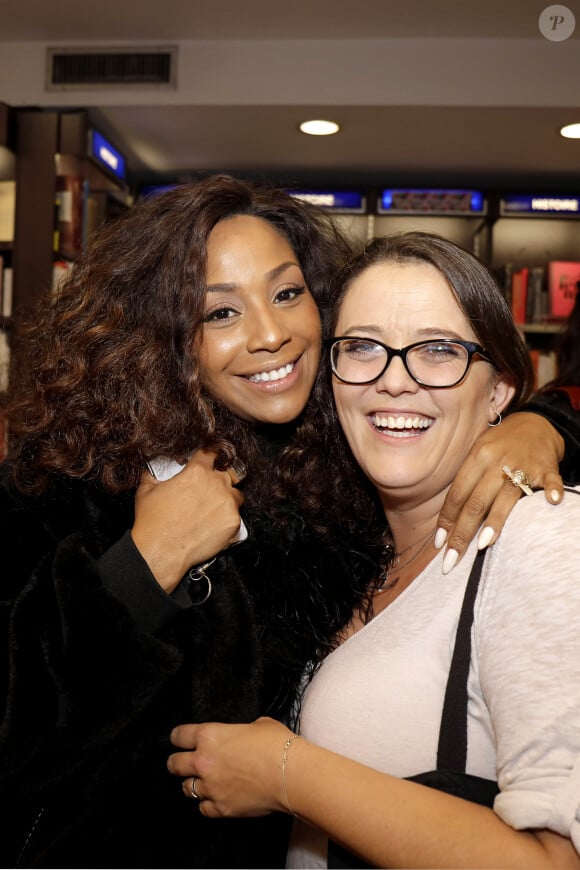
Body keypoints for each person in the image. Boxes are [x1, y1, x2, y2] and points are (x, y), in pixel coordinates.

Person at [0, 175, 575, 868]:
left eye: (286, 294)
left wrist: (539, 428)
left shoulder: (343, 477)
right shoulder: (68, 484)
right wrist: (145, 561)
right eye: (219, 314)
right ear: (160, 336)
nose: (271, 335)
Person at [168, 232, 580, 869]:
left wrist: (285, 776)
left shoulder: (541, 538)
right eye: (362, 347)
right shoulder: (349, 545)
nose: (393, 381)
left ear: (499, 391)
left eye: (438, 350)